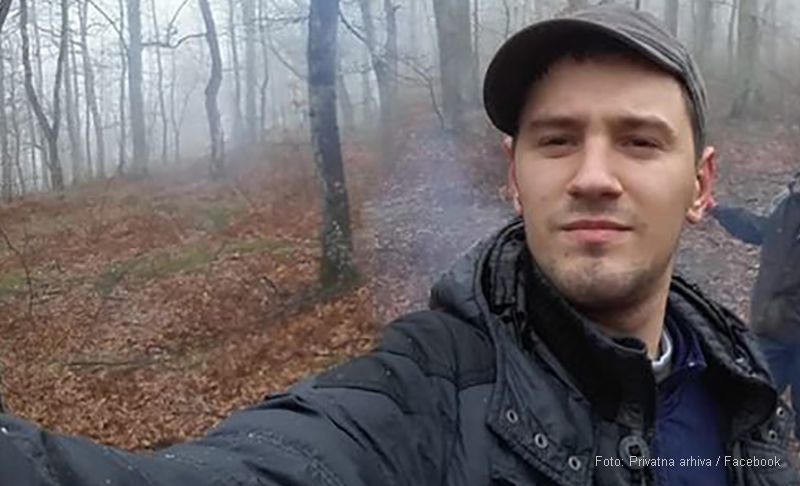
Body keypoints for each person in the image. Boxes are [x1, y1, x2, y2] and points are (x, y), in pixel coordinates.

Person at [0, 5, 797, 485]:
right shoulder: (422, 396)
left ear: (701, 185)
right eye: (556, 141)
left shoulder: (742, 387)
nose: (592, 176)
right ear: (514, 178)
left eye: (639, 142)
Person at [710, 171, 800, 438]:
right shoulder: (788, 203)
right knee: (756, 399)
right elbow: (758, 228)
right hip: (771, 327)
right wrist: (718, 211)